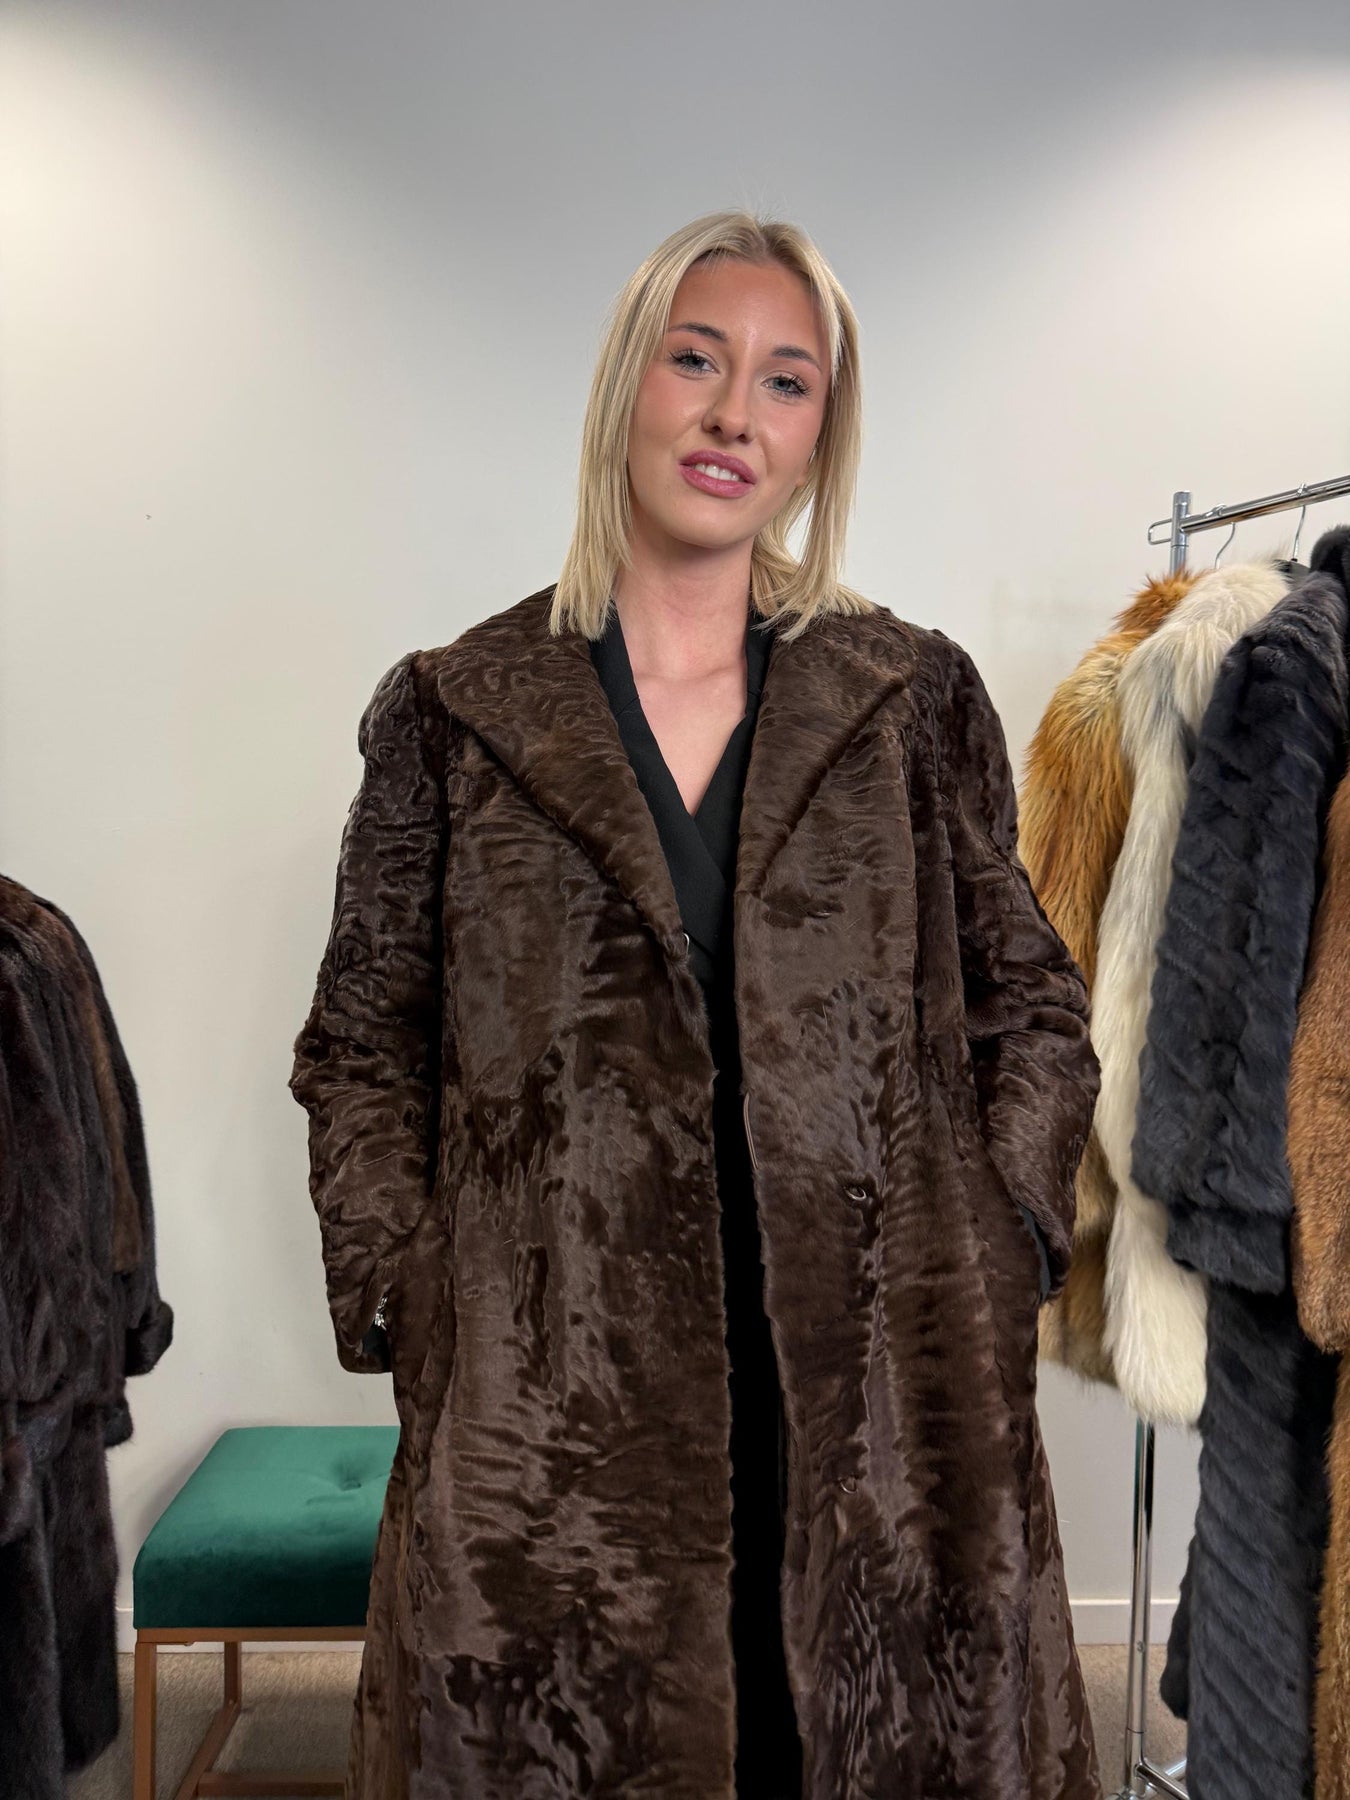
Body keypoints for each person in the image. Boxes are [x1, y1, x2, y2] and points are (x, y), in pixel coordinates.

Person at [290, 208, 1102, 1799]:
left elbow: (1032, 1004)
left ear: (817, 437)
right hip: (555, 1410)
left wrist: (997, 1235)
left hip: (877, 1397)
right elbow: (360, 1046)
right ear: (628, 384)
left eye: (786, 382)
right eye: (697, 359)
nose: (736, 413)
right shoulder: (456, 709)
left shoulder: (905, 695)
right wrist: (417, 1286)